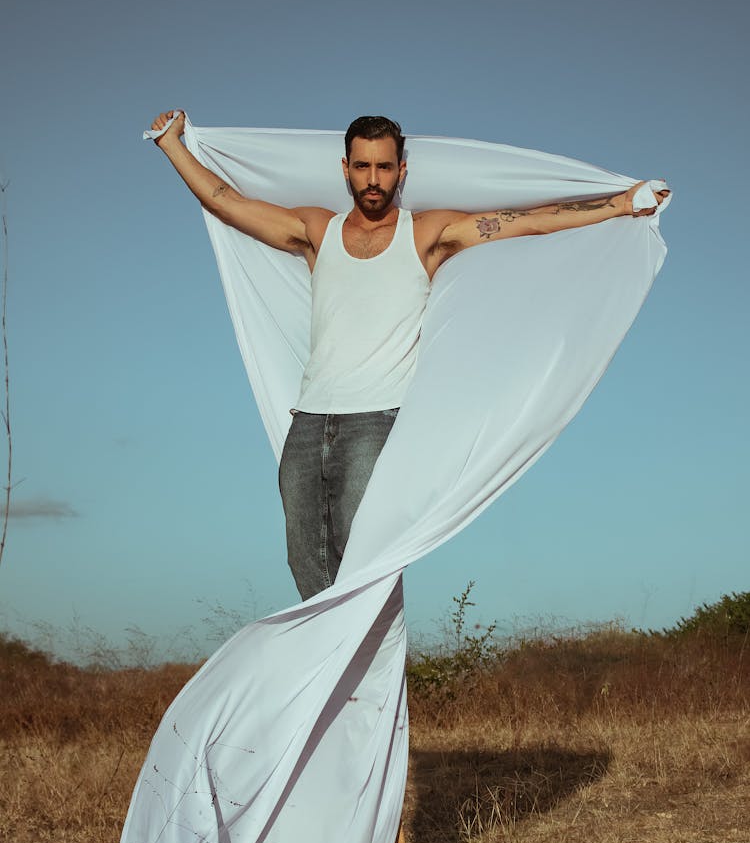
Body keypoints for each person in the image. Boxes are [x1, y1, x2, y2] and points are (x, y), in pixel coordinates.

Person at [150, 111, 668, 601]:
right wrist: (172, 144)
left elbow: (525, 222)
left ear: (401, 170)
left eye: (383, 166)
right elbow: (226, 201)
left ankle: (373, 686)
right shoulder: (316, 231)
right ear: (345, 169)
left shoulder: (425, 233)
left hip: (375, 421)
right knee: (305, 568)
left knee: (363, 569)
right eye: (362, 166)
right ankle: (336, 690)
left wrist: (623, 204)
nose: (373, 179)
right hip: (308, 424)